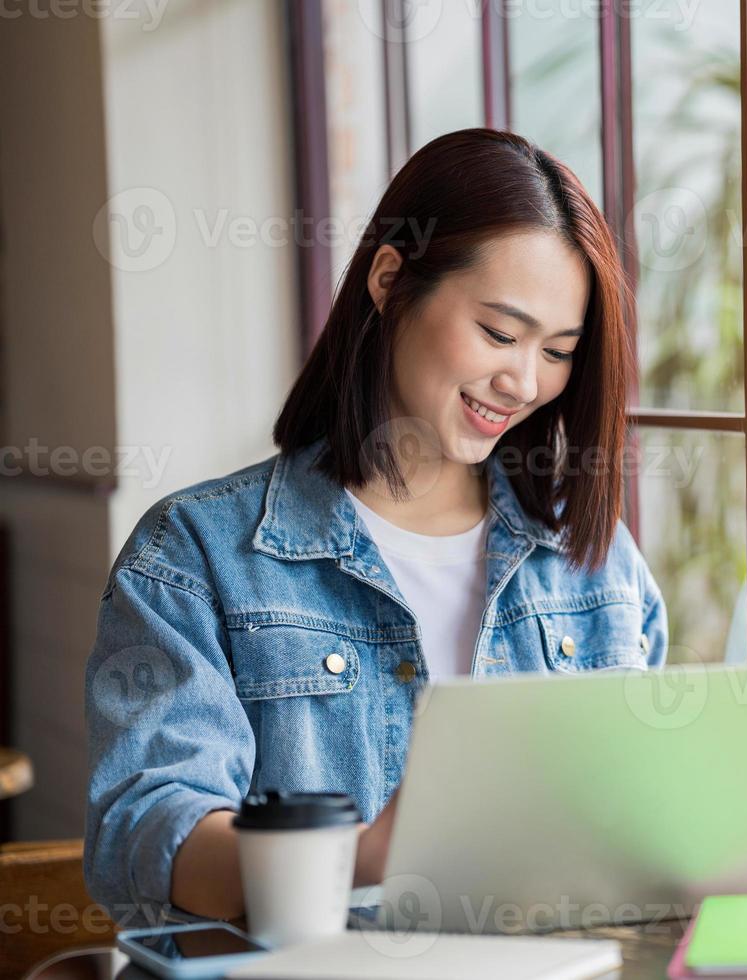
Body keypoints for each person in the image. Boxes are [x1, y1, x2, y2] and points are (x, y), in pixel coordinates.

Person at [82, 129, 668, 924]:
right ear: (391, 280)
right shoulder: (196, 555)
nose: (524, 380)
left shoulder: (594, 564)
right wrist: (366, 857)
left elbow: (647, 829)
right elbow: (147, 834)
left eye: (559, 351)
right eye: (499, 333)